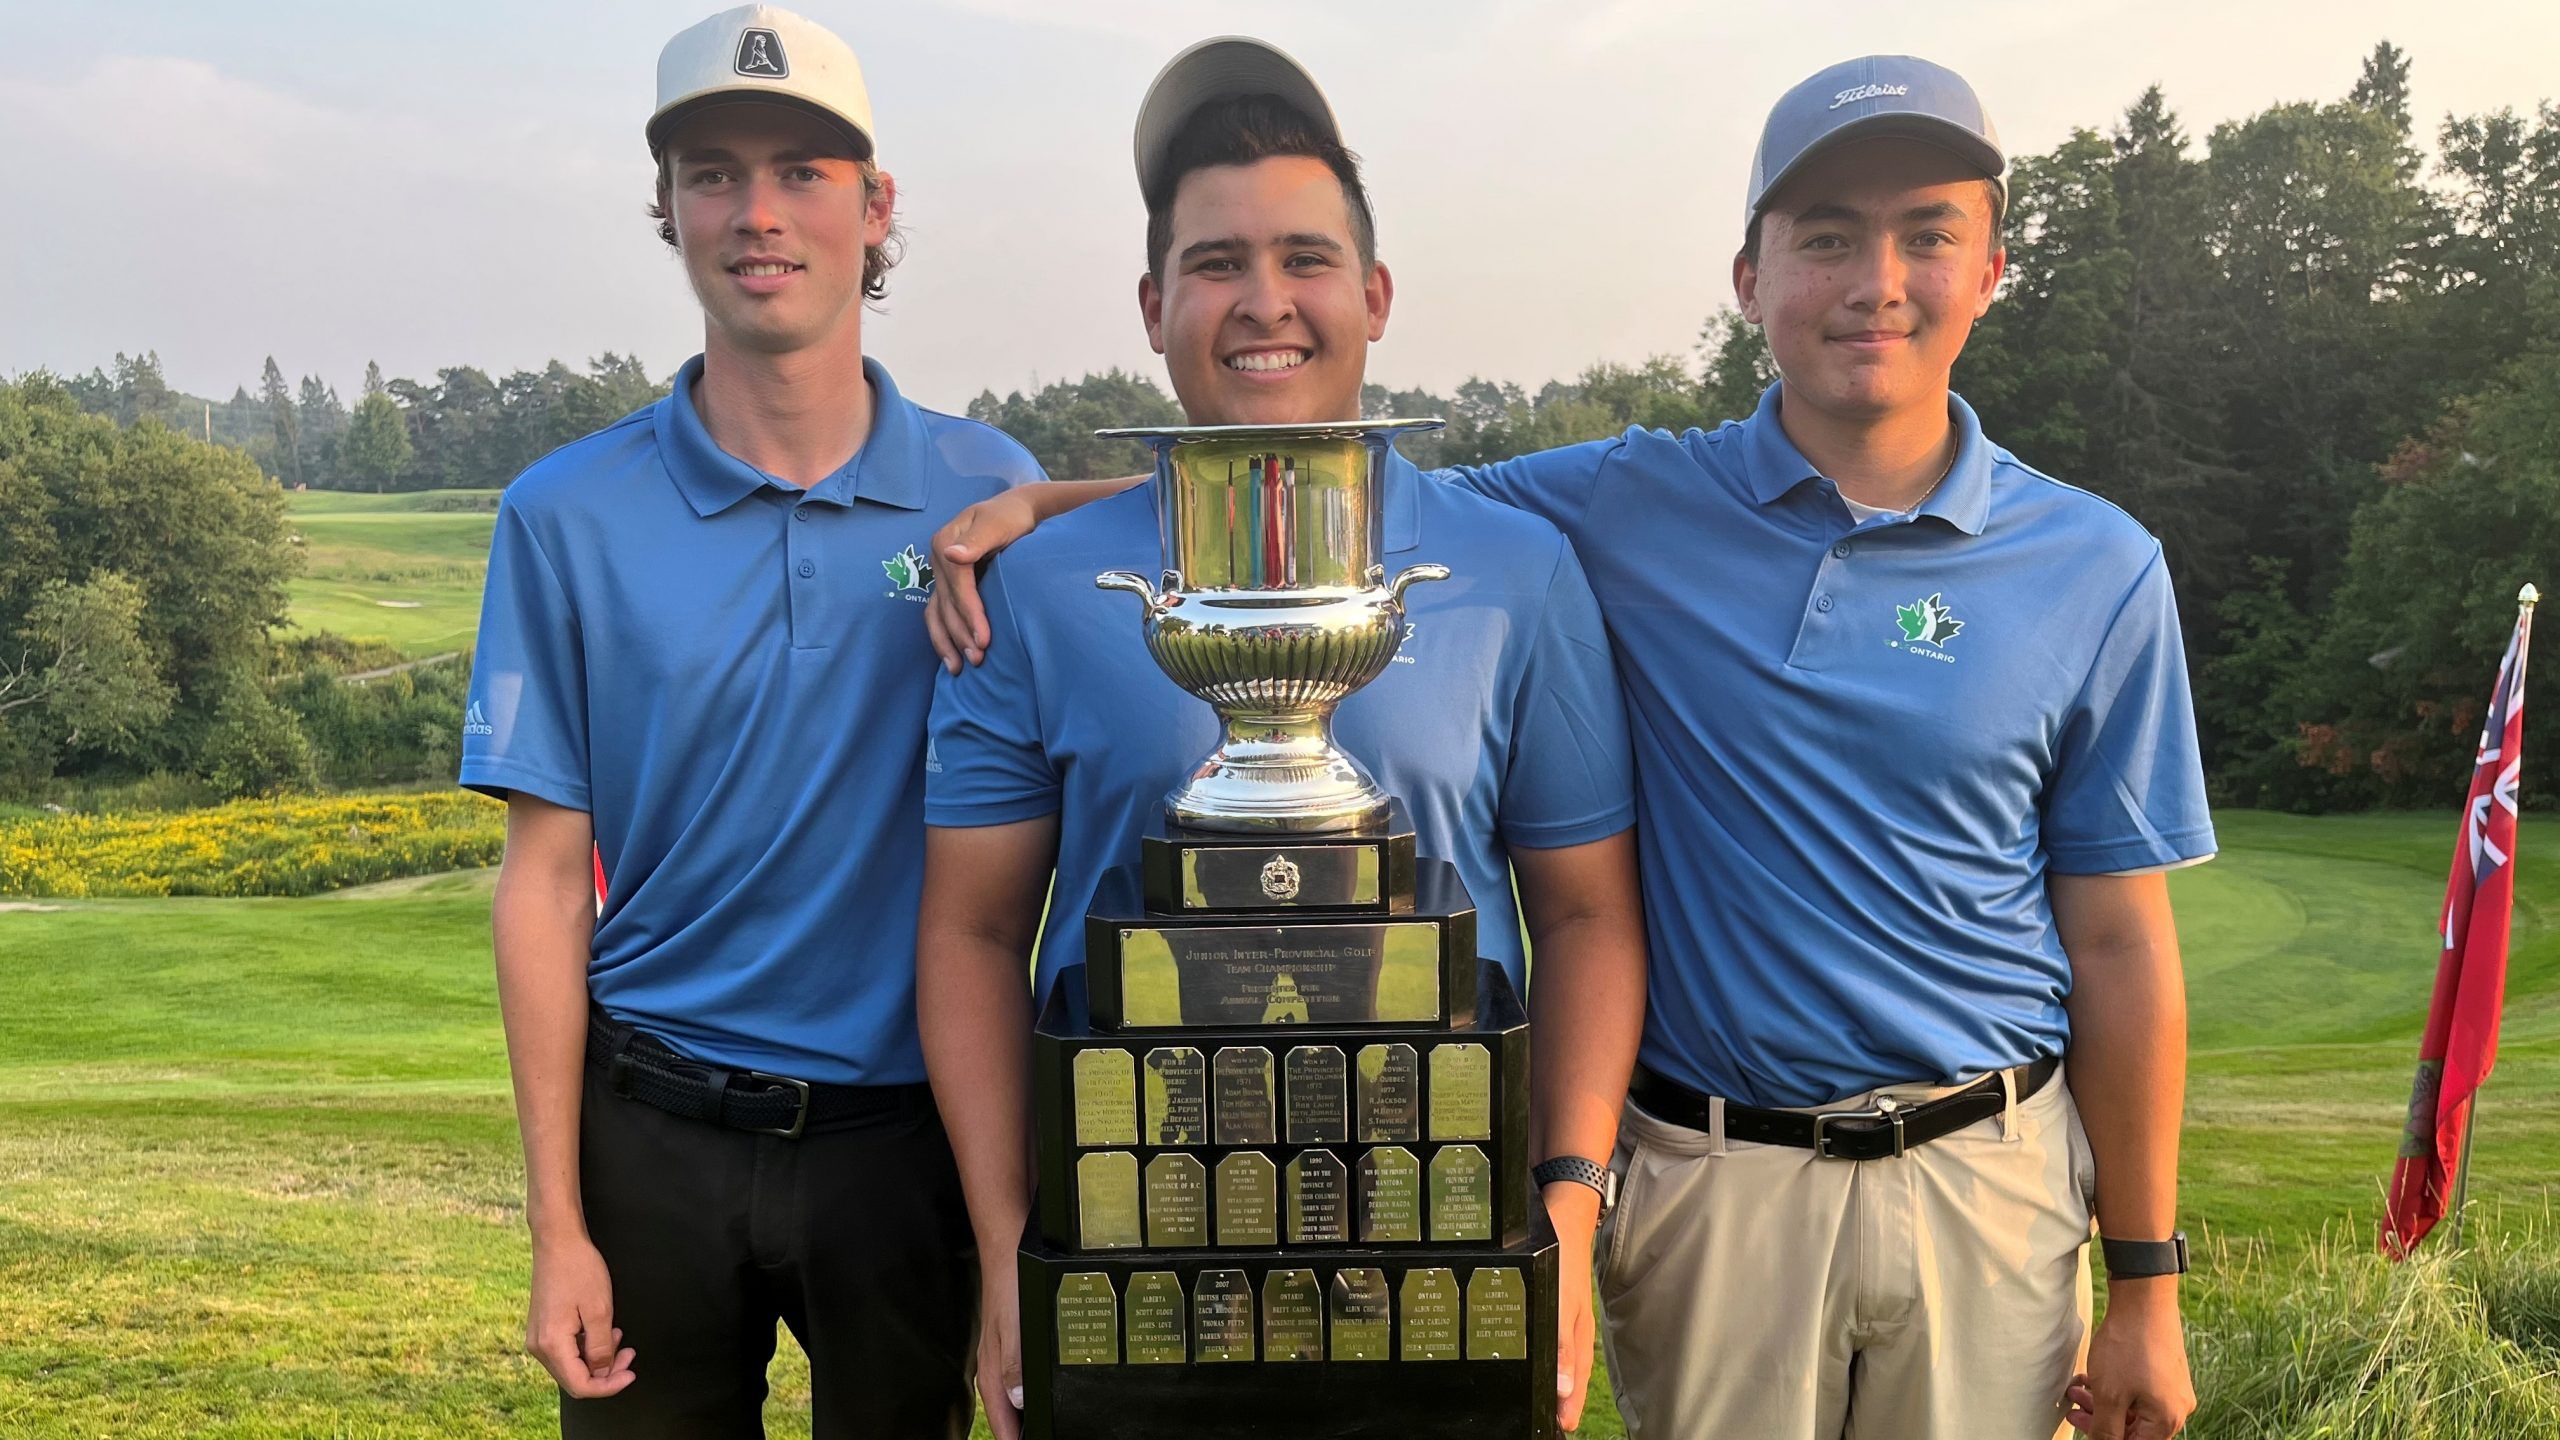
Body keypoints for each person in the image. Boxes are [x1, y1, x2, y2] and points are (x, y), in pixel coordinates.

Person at [923, 52, 2208, 1440]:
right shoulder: (1625, 500)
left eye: (1926, 235)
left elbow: (2121, 944)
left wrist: (2146, 1274)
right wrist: (1063, 506)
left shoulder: (2088, 563)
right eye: (1825, 237)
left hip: (1941, 1174)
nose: (1875, 280)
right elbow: (1293, 475)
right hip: (1303, 1199)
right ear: (1749, 274)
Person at [912, 37, 1648, 1440]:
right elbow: (970, 935)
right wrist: (1016, 1242)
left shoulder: (1512, 567)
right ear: (1151, 303)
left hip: (1437, 1241)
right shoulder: (1043, 589)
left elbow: (1589, 913)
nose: (1265, 303)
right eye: (1216, 263)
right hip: (1131, 1254)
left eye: (1306, 259)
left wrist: (1559, 1208)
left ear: (1374, 295)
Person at [460, 7, 1043, 1436]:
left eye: (801, 170)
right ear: (667, 209)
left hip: (903, 1139)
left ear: (875, 205)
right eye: (713, 173)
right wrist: (556, 1226)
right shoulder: (562, 513)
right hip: (650, 1130)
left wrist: (1051, 504)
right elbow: (543, 877)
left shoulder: (983, 488)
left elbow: (1171, 539)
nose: (757, 211)